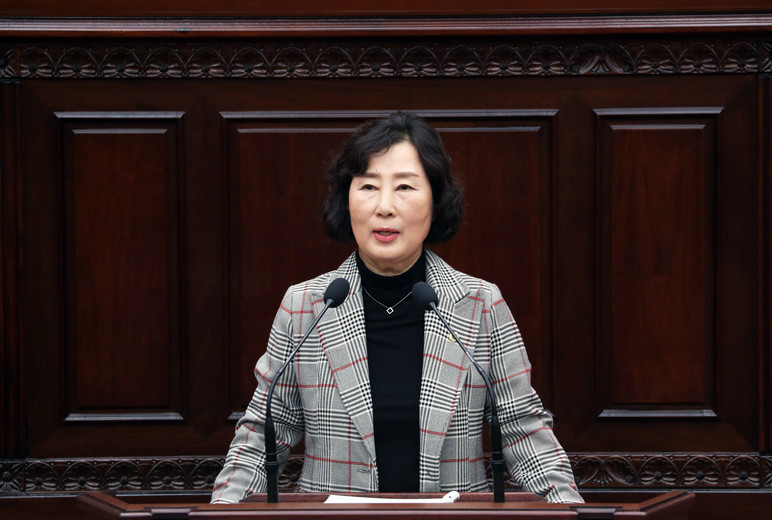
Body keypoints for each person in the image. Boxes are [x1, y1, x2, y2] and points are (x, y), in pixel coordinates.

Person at [211, 111, 582, 504]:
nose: (384, 206)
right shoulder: (306, 306)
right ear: (347, 199)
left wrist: (570, 512)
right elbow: (262, 434)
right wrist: (223, 511)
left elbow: (523, 430)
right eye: (369, 186)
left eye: (404, 186)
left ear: (436, 199)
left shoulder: (479, 304)